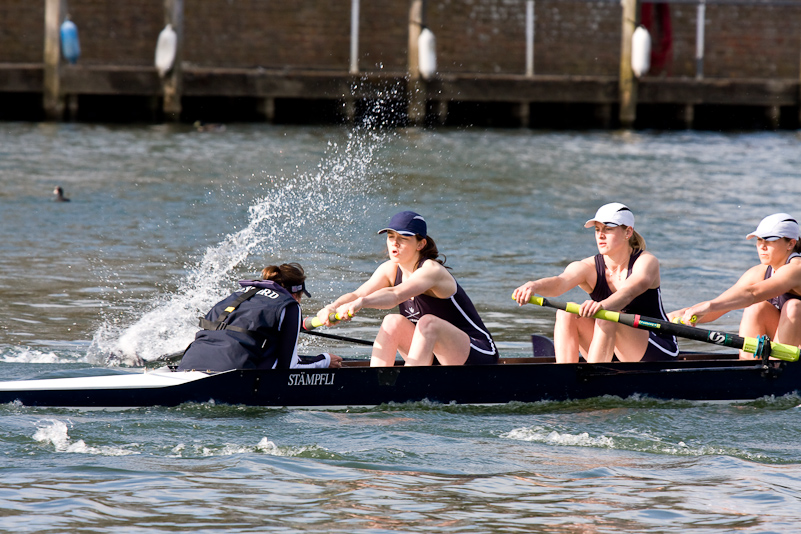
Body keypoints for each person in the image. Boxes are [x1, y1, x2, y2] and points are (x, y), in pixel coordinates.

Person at [315, 211, 498, 367]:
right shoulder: (390, 269)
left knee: (428, 323)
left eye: (403, 238)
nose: (395, 243)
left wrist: (361, 303)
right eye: (391, 237)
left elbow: (395, 295)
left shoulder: (432, 271)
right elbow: (357, 294)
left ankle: (408, 388)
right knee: (392, 321)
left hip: (478, 353)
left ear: (420, 244)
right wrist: (332, 306)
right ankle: (375, 384)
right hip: (432, 352)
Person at [513, 202, 678, 363]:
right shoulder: (588, 267)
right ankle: (565, 375)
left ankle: (593, 380)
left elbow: (628, 292)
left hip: (658, 345)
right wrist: (533, 286)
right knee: (565, 313)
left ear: (628, 232)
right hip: (610, 342)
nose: (600, 235)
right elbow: (559, 283)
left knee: (609, 316)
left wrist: (603, 306)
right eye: (597, 230)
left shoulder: (646, 262)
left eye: (608, 229)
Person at [673, 213, 801, 358]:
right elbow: (722, 305)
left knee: (794, 306)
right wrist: (673, 316)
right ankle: (748, 367)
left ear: (791, 243)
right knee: (756, 307)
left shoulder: (796, 269)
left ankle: (778, 367)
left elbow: (752, 294)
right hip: (790, 348)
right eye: (759, 240)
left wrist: (710, 305)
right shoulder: (759, 272)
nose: (762, 246)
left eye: (770, 241)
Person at [177, 263, 342, 372]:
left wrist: (314, 321)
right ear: (296, 294)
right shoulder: (290, 305)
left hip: (188, 365)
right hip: (233, 373)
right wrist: (325, 360)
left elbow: (250, 327)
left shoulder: (240, 295)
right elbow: (289, 367)